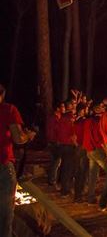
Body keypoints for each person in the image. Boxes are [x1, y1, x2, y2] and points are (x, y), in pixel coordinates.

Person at [0, 84, 37, 236]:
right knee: (4, 215)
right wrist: (29, 135)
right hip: (2, 165)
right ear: (2, 94)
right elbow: (18, 138)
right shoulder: (8, 109)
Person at [83, 101, 107, 205]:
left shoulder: (88, 120)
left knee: (93, 174)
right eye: (101, 107)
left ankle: (90, 197)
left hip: (89, 149)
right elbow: (98, 137)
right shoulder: (98, 121)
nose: (103, 108)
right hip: (97, 149)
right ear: (97, 110)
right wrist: (104, 147)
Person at [53, 100, 78, 196]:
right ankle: (65, 190)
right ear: (70, 107)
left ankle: (62, 187)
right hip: (69, 145)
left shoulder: (61, 117)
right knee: (68, 169)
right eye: (74, 104)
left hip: (62, 144)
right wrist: (76, 144)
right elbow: (72, 133)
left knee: (64, 167)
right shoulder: (70, 117)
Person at [72, 103, 89, 202]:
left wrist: (76, 144)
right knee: (82, 172)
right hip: (83, 147)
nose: (87, 111)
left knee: (79, 172)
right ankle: (79, 195)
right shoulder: (83, 121)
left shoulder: (76, 121)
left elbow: (73, 135)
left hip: (78, 147)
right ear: (81, 110)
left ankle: (78, 194)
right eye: (85, 109)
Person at [46, 101, 65, 187]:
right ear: (58, 108)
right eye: (62, 106)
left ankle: (52, 179)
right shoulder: (53, 118)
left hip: (57, 142)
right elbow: (52, 131)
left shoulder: (59, 117)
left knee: (56, 162)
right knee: (56, 162)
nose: (64, 108)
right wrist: (55, 140)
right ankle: (52, 180)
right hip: (55, 142)